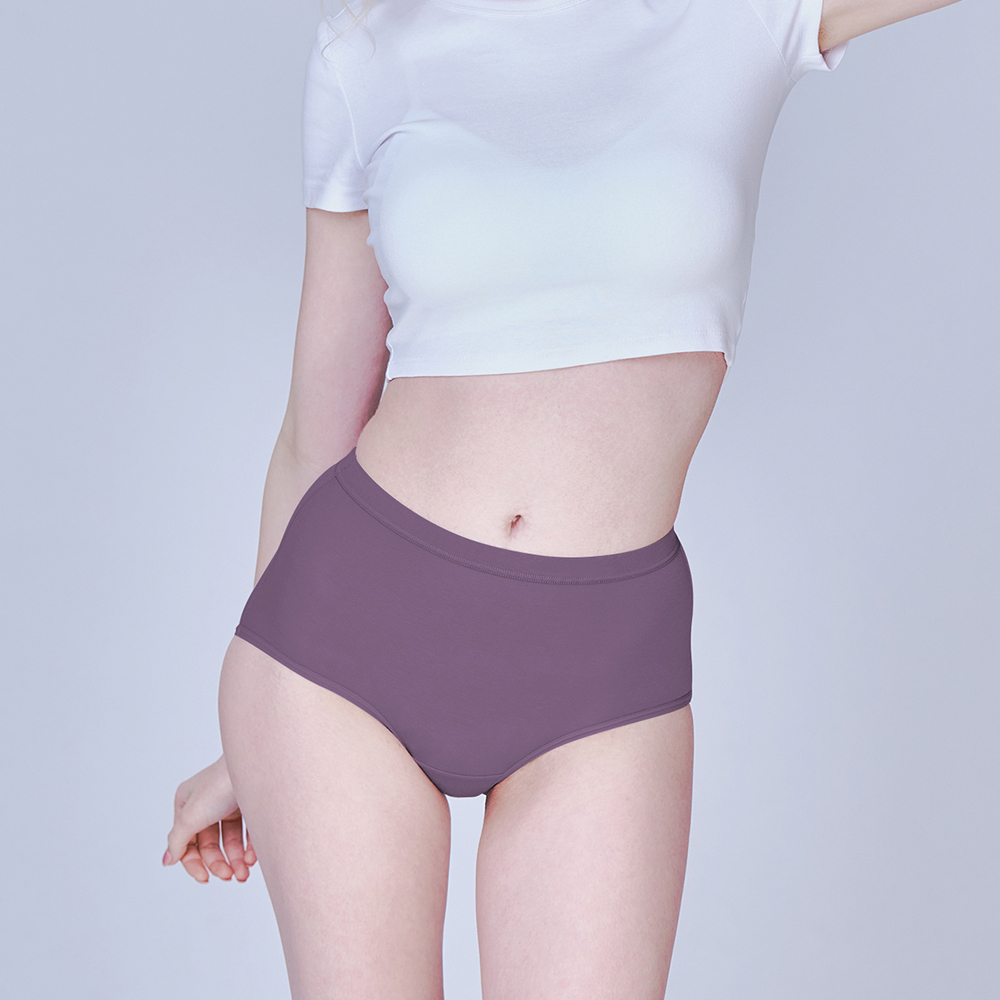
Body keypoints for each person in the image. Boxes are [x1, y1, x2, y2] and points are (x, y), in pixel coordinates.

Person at [163, 1, 962, 996]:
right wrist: (254, 753)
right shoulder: (366, 46)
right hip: (340, 650)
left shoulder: (742, 13)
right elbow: (312, 431)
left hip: (603, 668)